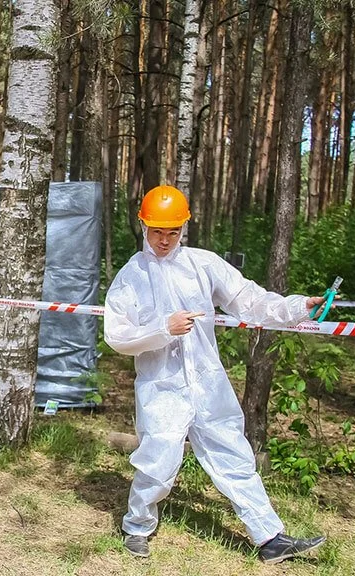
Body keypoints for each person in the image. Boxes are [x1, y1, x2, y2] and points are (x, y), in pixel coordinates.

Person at [104, 185, 327, 564]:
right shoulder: (131, 277)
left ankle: (270, 538)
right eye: (157, 231)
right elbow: (117, 335)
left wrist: (297, 307)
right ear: (143, 226)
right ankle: (137, 527)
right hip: (162, 387)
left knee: (233, 455)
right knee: (158, 461)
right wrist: (163, 328)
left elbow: (249, 300)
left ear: (183, 228)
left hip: (207, 383)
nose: (164, 240)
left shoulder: (203, 265)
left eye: (173, 231)